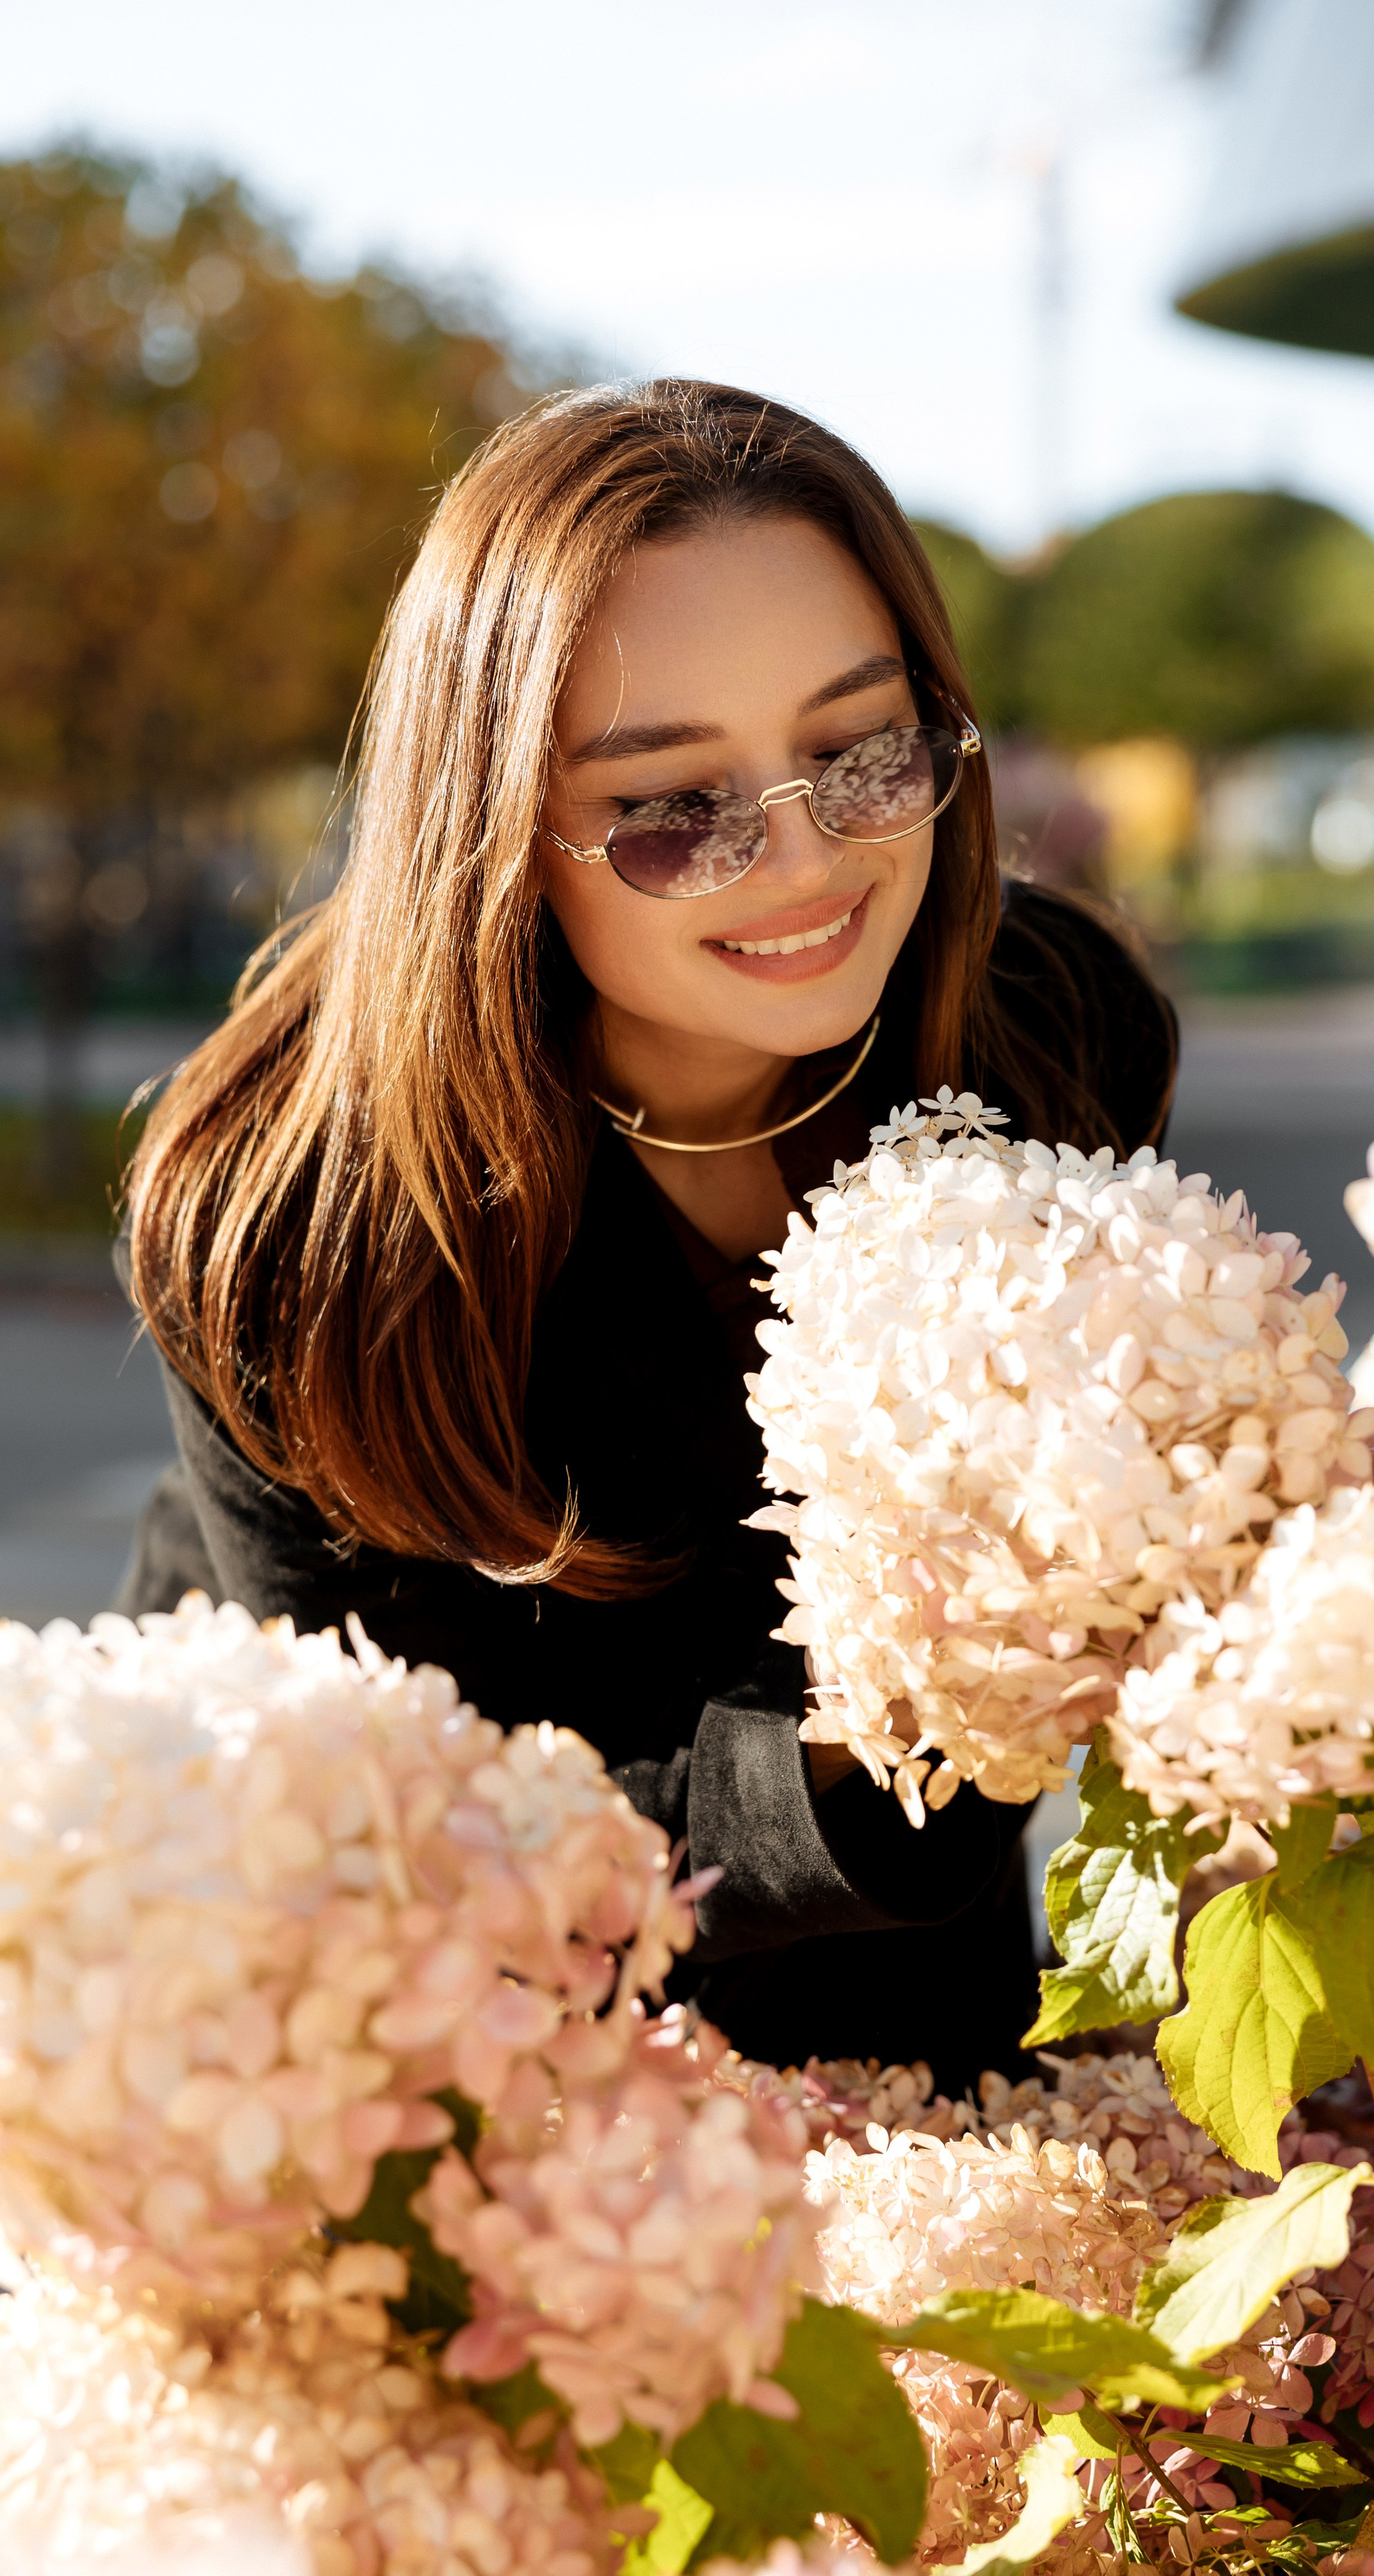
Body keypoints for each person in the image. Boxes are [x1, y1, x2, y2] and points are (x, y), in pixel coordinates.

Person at [116, 382, 1176, 2096]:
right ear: (494, 838)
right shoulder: (291, 1226)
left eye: (862, 749)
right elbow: (431, 1870)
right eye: (673, 807)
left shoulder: (1042, 1030)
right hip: (451, 2074)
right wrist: (878, 1711)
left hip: (930, 2020)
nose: (807, 854)